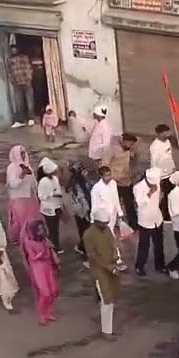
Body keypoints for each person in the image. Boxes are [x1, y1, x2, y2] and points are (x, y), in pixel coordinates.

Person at [83, 207, 120, 339]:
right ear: (96, 221)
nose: (105, 225)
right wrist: (107, 266)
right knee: (107, 300)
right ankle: (106, 331)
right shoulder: (88, 235)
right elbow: (92, 256)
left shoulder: (107, 230)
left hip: (111, 268)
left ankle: (108, 329)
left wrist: (116, 256)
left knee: (110, 298)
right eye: (102, 223)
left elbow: (113, 243)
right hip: (99, 271)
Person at [22, 219, 60, 325]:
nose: (41, 231)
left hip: (47, 266)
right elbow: (33, 257)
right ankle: (42, 314)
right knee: (45, 292)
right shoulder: (29, 243)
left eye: (42, 229)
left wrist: (50, 248)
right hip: (38, 268)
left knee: (53, 291)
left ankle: (48, 312)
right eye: (39, 230)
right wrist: (43, 251)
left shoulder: (44, 240)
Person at [133, 168, 165, 276]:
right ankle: (139, 266)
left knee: (159, 244)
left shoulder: (157, 183)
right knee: (144, 245)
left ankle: (160, 265)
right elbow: (139, 203)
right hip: (145, 221)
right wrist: (149, 193)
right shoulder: (138, 188)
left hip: (157, 218)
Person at [5, 144, 39, 243]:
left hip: (29, 197)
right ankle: (21, 239)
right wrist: (21, 176)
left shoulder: (27, 165)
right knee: (20, 220)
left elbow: (33, 181)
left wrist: (36, 191)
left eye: (24, 152)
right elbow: (12, 184)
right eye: (21, 153)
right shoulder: (11, 168)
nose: (23, 155)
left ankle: (31, 237)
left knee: (32, 218)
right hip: (18, 198)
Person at [108, 133, 139, 228]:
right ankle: (113, 224)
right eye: (130, 143)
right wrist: (112, 177)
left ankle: (134, 224)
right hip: (114, 183)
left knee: (129, 204)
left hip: (126, 182)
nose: (131, 146)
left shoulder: (129, 150)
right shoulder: (111, 150)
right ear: (124, 141)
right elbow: (104, 165)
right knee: (113, 205)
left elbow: (132, 161)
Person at [65, 161, 93, 262]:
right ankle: (85, 256)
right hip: (82, 213)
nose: (86, 172)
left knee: (83, 232)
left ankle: (81, 247)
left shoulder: (81, 182)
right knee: (85, 233)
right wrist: (86, 214)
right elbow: (82, 202)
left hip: (81, 213)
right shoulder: (78, 186)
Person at [37, 158, 64, 252]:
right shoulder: (43, 181)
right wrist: (51, 194)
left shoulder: (55, 179)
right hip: (48, 208)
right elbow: (41, 196)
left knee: (55, 227)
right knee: (51, 228)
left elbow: (58, 189)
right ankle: (54, 245)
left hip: (56, 206)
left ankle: (53, 243)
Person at [149, 124, 176, 219]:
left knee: (170, 195)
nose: (168, 134)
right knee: (164, 196)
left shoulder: (168, 142)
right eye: (166, 132)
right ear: (160, 134)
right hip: (162, 176)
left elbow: (170, 156)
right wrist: (156, 177)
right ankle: (163, 214)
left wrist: (173, 167)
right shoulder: (155, 146)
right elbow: (154, 162)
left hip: (170, 173)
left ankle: (167, 212)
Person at [8, 45, 36, 127]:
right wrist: (12, 80)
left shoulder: (24, 57)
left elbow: (29, 68)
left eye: (15, 50)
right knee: (18, 102)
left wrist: (29, 78)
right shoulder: (10, 60)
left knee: (29, 101)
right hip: (17, 82)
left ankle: (31, 118)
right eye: (12, 50)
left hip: (26, 81)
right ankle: (20, 120)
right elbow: (10, 71)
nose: (13, 51)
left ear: (18, 50)